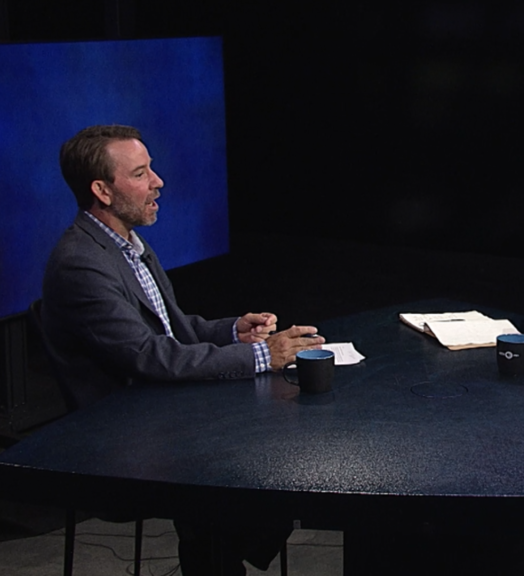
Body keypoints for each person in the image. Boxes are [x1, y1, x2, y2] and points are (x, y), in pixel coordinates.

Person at [42, 124, 323, 575]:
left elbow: (174, 329)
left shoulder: (128, 243)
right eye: (141, 173)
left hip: (159, 402)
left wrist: (234, 331)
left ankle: (218, 545)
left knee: (275, 430)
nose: (158, 181)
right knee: (250, 453)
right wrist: (262, 355)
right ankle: (216, 545)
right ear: (103, 190)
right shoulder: (81, 263)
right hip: (119, 429)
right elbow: (150, 356)